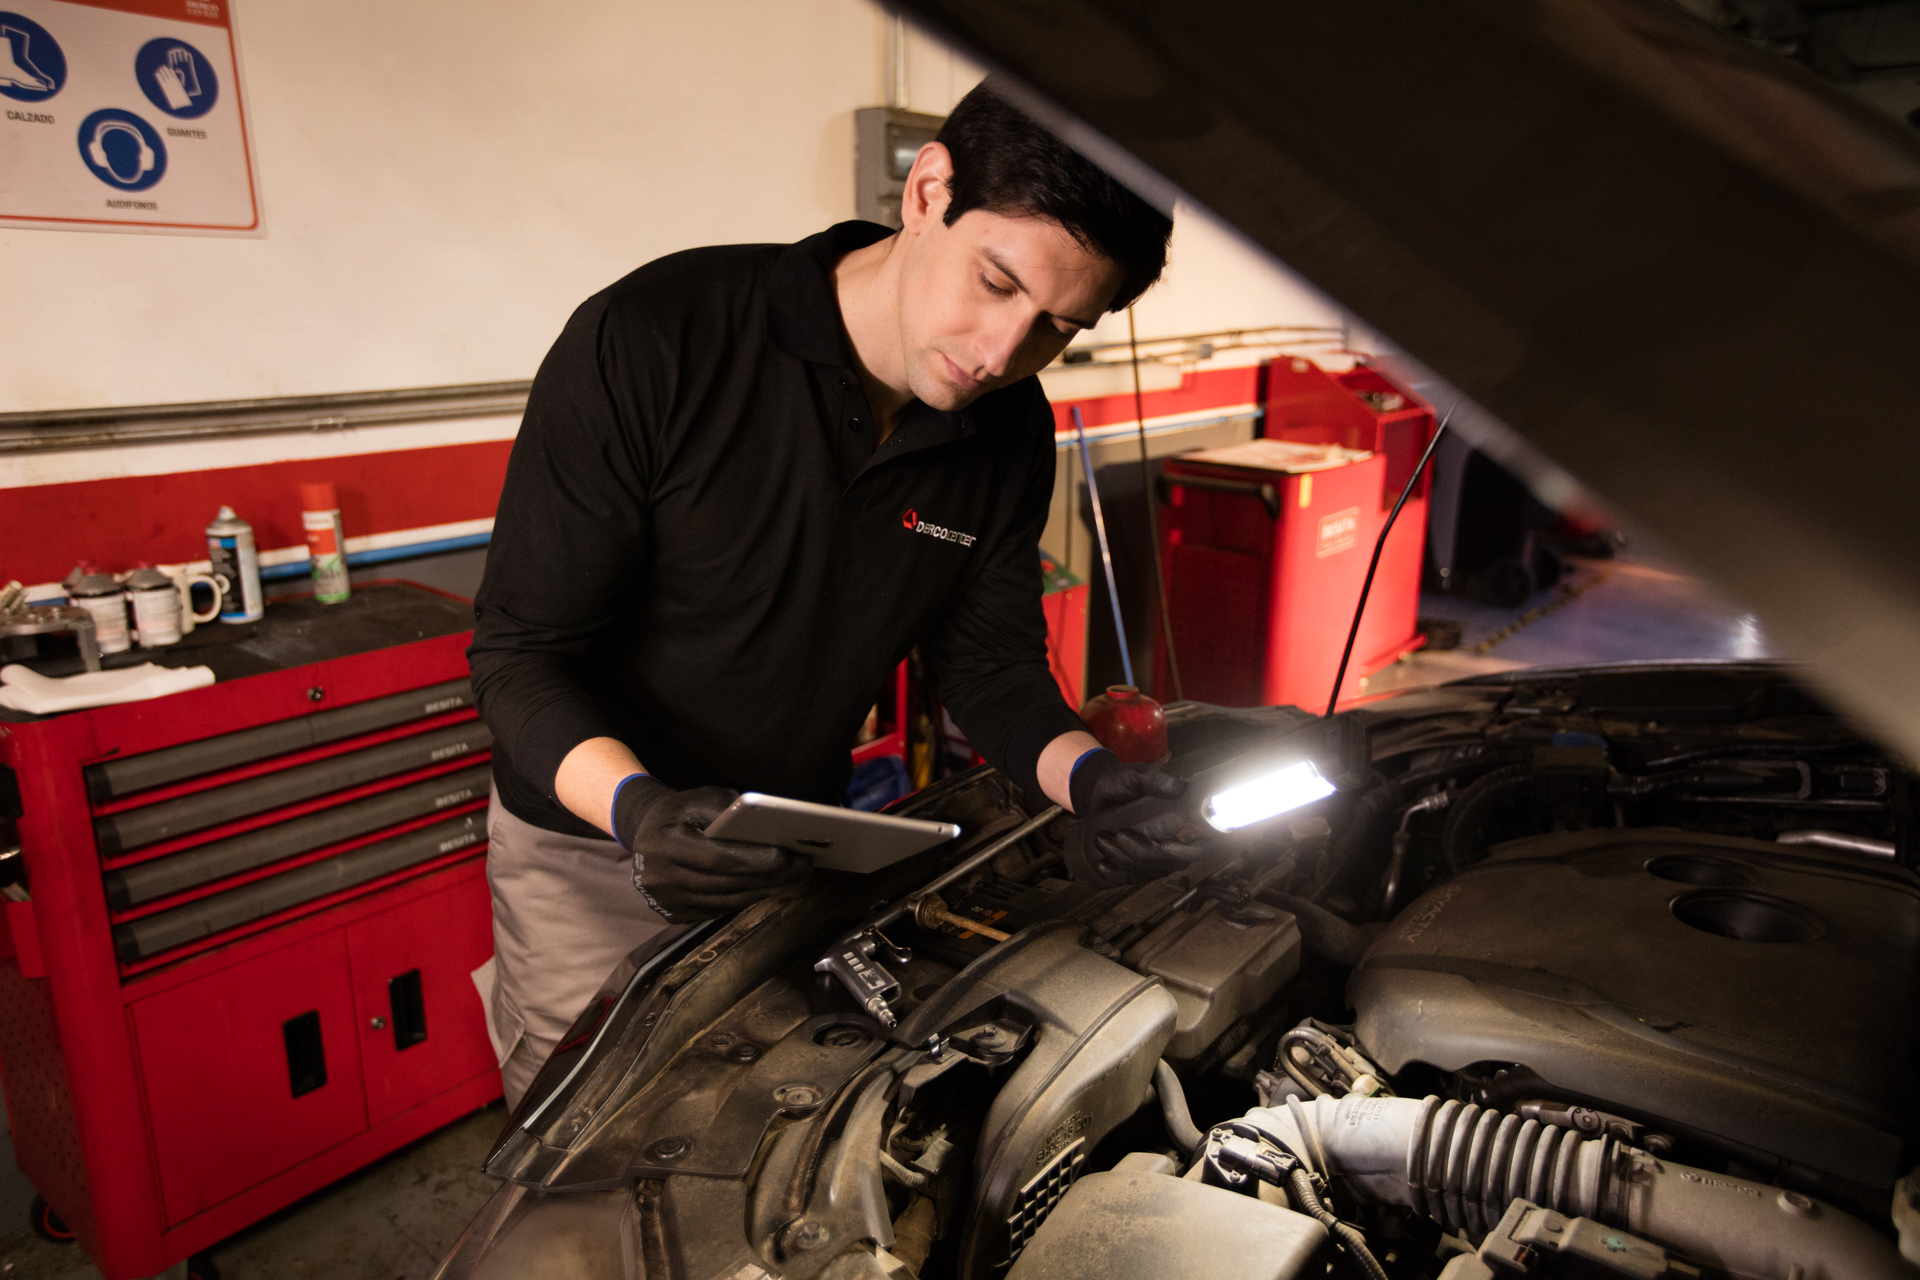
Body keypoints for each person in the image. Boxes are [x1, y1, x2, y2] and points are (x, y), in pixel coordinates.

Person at [469, 83, 1194, 1107]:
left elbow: (988, 667)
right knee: (588, 1142)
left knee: (759, 1131)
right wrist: (642, 814)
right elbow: (519, 654)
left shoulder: (1007, 433)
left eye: (1054, 329)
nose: (1000, 354)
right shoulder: (654, 339)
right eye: (994, 282)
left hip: (791, 832)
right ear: (929, 187)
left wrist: (1089, 779)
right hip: (592, 843)